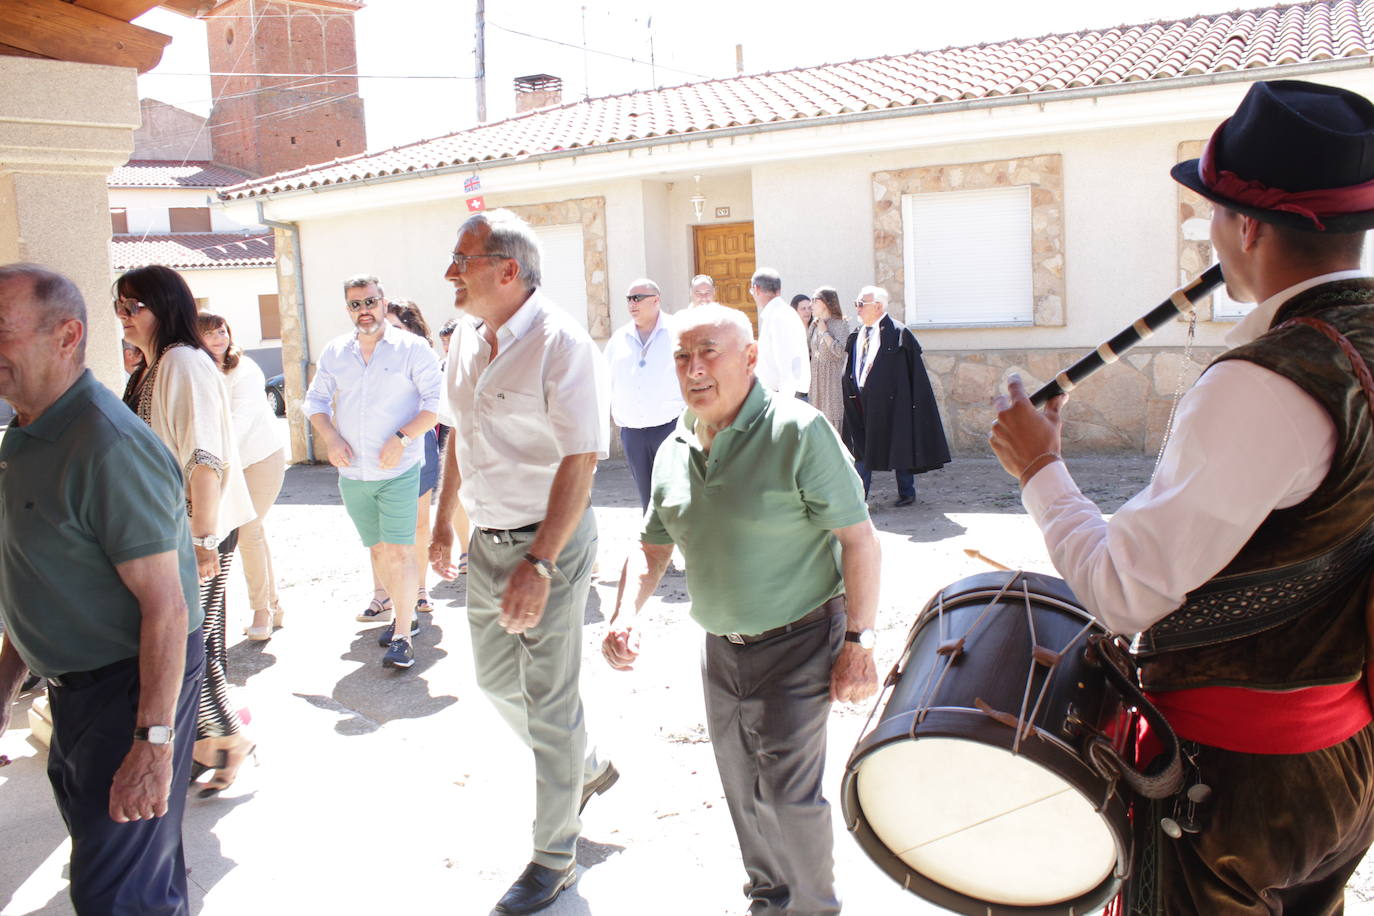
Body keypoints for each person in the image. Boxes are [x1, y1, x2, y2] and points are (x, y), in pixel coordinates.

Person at [989, 79, 1374, 914]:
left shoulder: (1264, 383)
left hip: (1236, 791)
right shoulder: (1354, 347)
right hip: (1343, 768)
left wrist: (1040, 471)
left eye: (1212, 212)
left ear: (1245, 226)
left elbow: (1123, 592)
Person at [602, 303, 881, 915]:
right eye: (682, 356)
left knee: (786, 793)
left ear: (750, 357)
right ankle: (768, 898)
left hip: (801, 638)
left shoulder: (798, 430)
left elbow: (858, 539)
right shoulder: (675, 443)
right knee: (742, 789)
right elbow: (651, 546)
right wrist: (625, 614)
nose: (694, 368)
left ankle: (813, 908)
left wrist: (858, 643)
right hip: (720, 649)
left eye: (709, 352)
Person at [0, 263, 205, 914]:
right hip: (78, 693)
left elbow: (168, 607)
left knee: (116, 896)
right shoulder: (27, 431)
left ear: (66, 337)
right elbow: (35, 578)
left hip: (131, 690)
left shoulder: (107, 444)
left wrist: (152, 745)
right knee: (136, 882)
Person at [431, 208, 616, 916]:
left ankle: (553, 855)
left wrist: (540, 564)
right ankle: (586, 767)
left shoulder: (563, 344)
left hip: (551, 544)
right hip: (487, 540)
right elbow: (457, 432)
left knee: (551, 700)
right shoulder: (468, 341)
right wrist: (445, 523)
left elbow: (582, 458)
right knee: (496, 683)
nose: (451, 272)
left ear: (508, 271)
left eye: (463, 259)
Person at [117, 264, 257, 797]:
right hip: (172, 532)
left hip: (197, 533)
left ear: (167, 307)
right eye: (121, 307)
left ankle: (223, 742)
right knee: (194, 646)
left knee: (189, 646)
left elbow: (205, 458)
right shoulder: (153, 366)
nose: (126, 317)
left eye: (137, 306)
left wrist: (202, 541)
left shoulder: (183, 361)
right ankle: (220, 743)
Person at [304, 275, 441, 669]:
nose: (364, 311)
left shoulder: (412, 350)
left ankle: (402, 634)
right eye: (355, 304)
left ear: (383, 303)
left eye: (370, 302)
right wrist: (330, 438)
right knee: (379, 549)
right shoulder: (335, 352)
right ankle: (404, 613)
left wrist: (402, 436)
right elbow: (314, 400)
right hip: (353, 474)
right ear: (348, 309)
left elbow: (435, 403)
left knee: (399, 549)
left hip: (398, 469)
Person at [197, 311, 285, 642]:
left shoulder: (244, 369)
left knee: (247, 531)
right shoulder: (198, 371)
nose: (219, 338)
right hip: (226, 463)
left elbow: (241, 420)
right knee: (254, 532)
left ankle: (260, 611)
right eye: (210, 333)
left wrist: (209, 462)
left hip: (259, 458)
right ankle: (274, 606)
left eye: (222, 331)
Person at [842, 285, 950, 507]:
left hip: (894, 403)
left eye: (861, 304)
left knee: (899, 443)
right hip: (862, 402)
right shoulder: (857, 333)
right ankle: (858, 496)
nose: (857, 309)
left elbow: (912, 376)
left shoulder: (900, 333)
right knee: (862, 448)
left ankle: (906, 491)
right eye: (857, 304)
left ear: (878, 306)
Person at [382, 298, 441, 613]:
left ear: (412, 329)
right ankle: (386, 592)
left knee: (419, 524)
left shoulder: (424, 357)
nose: (389, 334)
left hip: (417, 443)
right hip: (378, 448)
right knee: (383, 527)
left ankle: (420, 588)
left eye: (396, 328)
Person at [604, 278, 684, 511]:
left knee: (674, 494)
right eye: (629, 299)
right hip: (633, 433)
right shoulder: (619, 338)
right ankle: (656, 544)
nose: (632, 304)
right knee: (647, 500)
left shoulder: (677, 332)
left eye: (637, 298)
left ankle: (682, 542)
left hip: (670, 427)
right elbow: (604, 380)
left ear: (656, 300)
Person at [436, 316, 470, 575]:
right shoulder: (441, 367)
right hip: (448, 434)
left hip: (471, 435)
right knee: (456, 495)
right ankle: (466, 550)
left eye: (451, 341)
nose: (448, 347)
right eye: (445, 342)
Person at [752, 267, 810, 400]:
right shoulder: (777, 314)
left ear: (756, 289)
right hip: (782, 396)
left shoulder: (779, 316)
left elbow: (789, 365)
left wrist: (783, 405)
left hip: (785, 399)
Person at [808, 287, 849, 434]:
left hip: (832, 384)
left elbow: (840, 352)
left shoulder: (841, 324)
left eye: (814, 300)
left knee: (832, 425)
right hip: (816, 383)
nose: (810, 304)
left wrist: (825, 332)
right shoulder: (813, 325)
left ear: (825, 302)